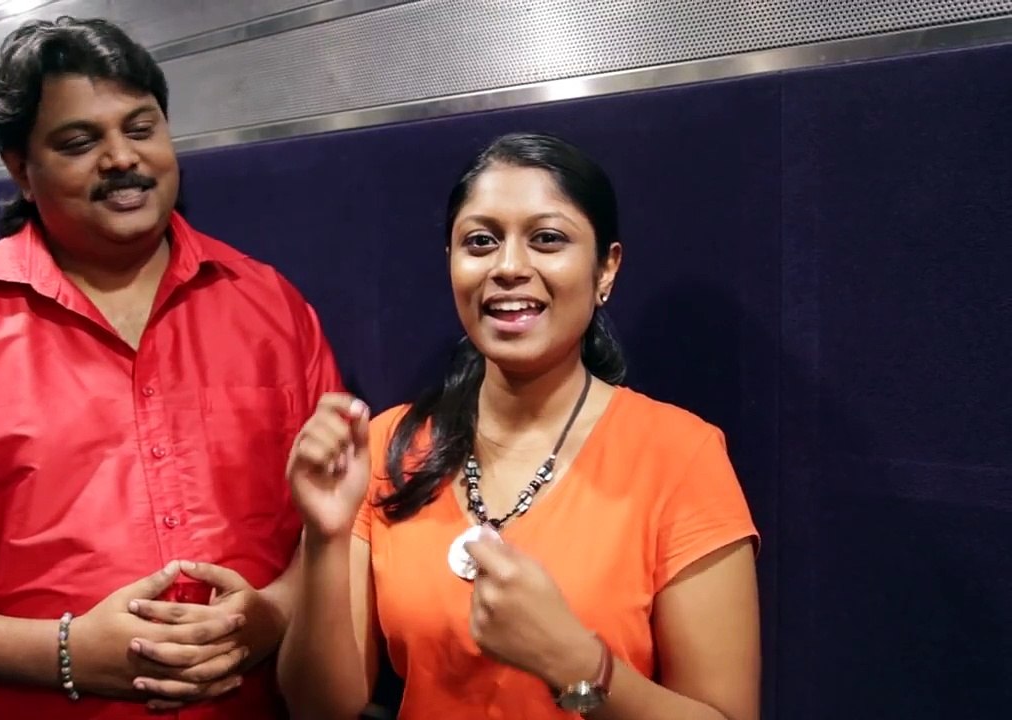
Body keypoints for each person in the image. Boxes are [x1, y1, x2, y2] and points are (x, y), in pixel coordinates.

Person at [0, 16, 343, 720]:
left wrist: (273, 616)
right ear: (20, 169)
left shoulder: (272, 308)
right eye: (79, 143)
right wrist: (67, 653)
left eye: (141, 129)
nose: (121, 158)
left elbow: (341, 526)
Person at [279, 132, 760, 719]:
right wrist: (324, 541)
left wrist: (577, 664)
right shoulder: (384, 447)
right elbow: (319, 707)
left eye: (547, 239)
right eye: (480, 241)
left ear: (606, 269)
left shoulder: (680, 455)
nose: (508, 267)